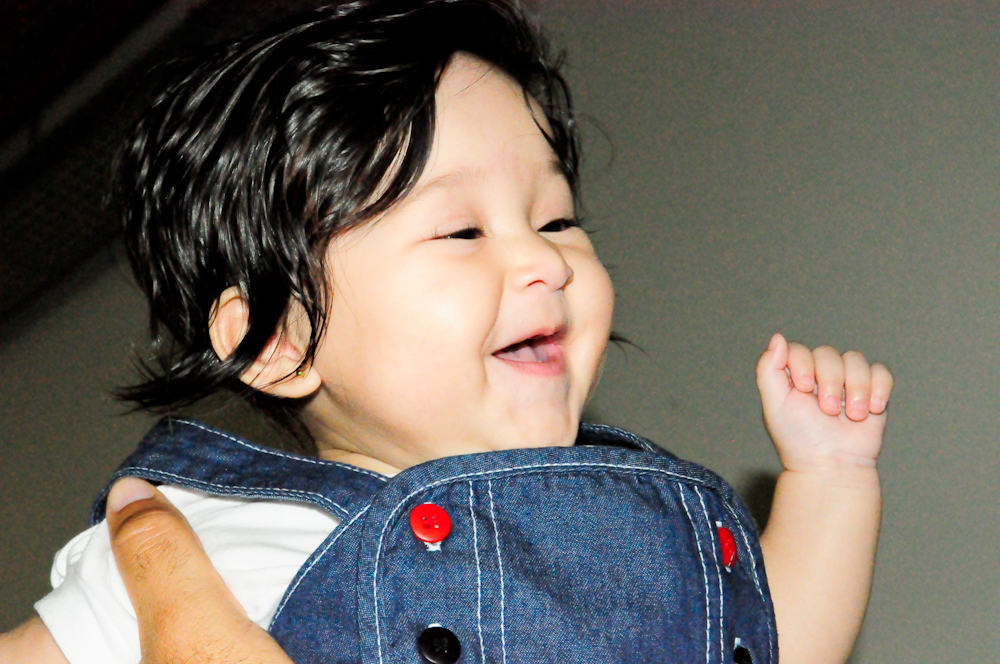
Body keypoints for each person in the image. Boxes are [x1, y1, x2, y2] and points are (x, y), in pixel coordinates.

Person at [0, 1, 893, 662]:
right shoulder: (202, 536)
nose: (545, 264)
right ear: (276, 339)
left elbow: (779, 640)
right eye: (463, 231)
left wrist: (830, 479)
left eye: (555, 221)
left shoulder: (631, 537)